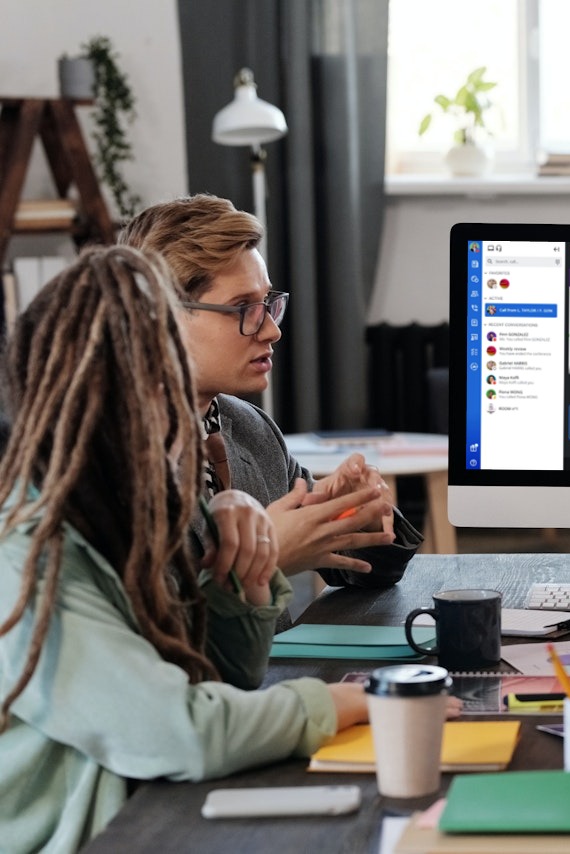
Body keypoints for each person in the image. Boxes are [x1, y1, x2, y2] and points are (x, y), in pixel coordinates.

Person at [0, 247, 370, 852]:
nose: (185, 421)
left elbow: (223, 680)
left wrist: (241, 577)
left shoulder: (136, 499)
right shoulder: (28, 554)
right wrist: (336, 703)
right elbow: (180, 731)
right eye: (165, 395)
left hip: (155, 810)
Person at [118, 195, 423, 600]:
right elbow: (133, 638)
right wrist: (265, 560)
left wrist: (354, 516)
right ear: (159, 314)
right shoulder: (107, 457)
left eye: (267, 304)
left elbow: (360, 573)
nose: (271, 331)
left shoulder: (249, 427)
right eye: (243, 307)